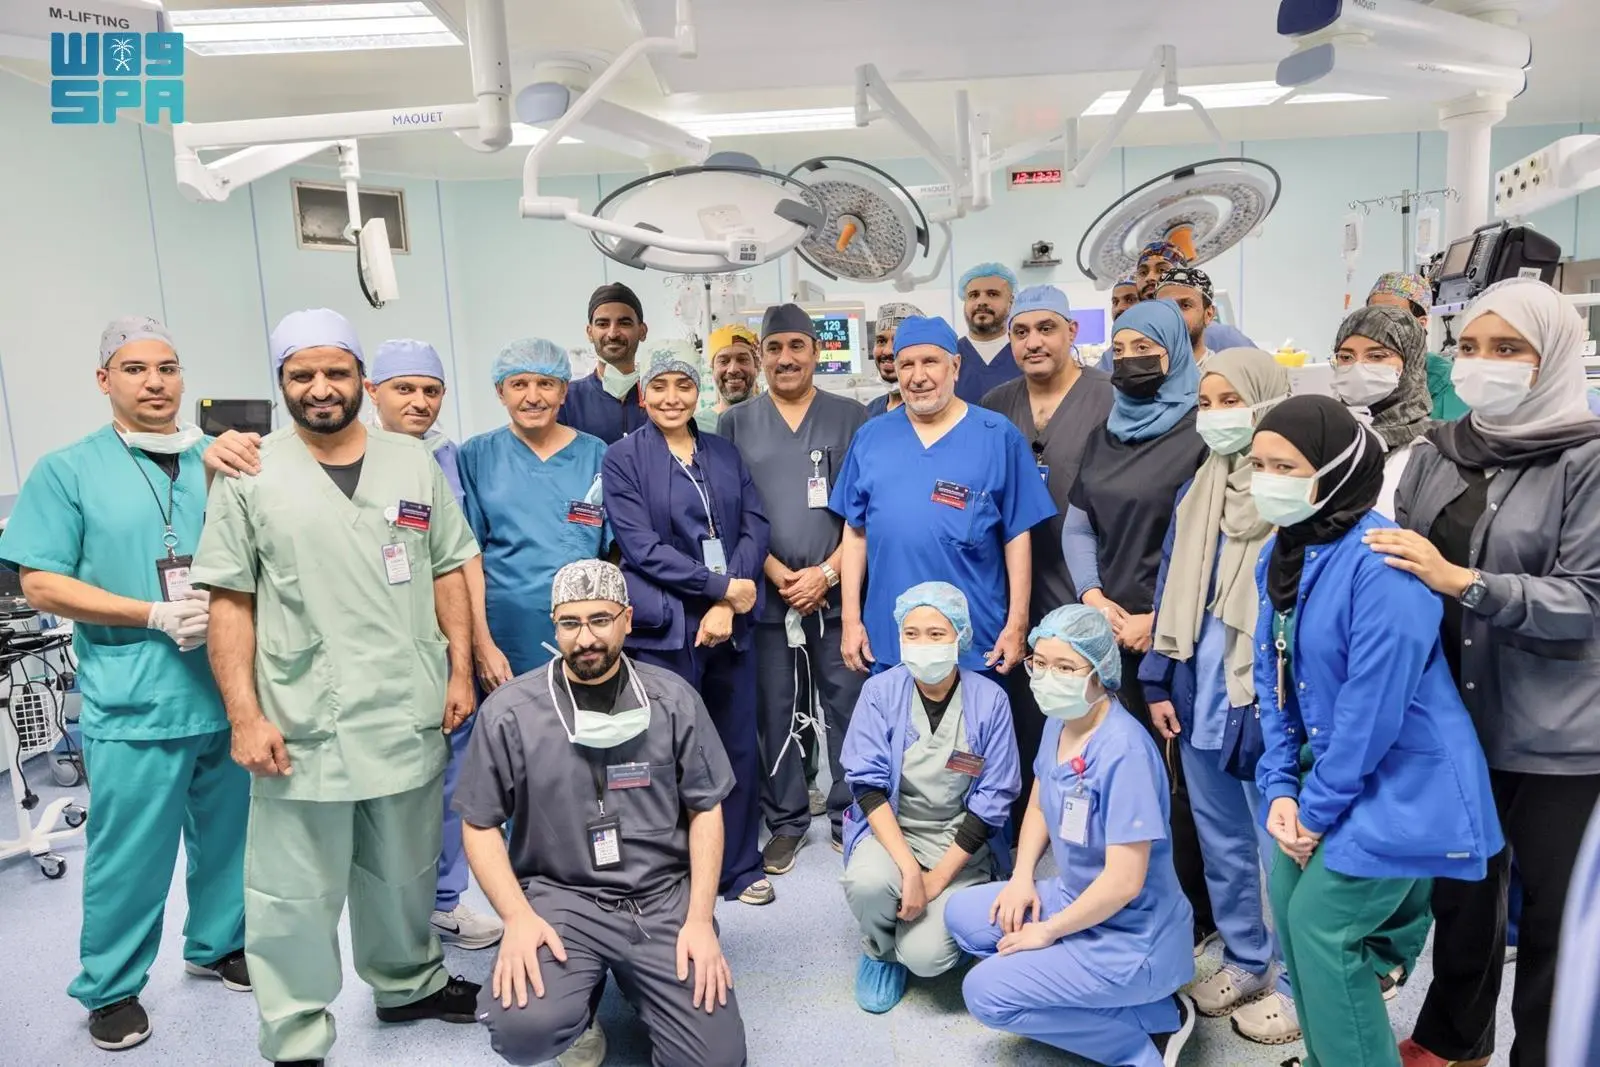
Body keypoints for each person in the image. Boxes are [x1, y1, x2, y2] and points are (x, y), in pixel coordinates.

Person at [191, 308, 483, 1067]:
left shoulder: (413, 463)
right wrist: (244, 714)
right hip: (300, 714)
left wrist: (457, 670)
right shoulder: (250, 472)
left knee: (405, 866)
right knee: (294, 888)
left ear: (362, 379)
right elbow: (230, 599)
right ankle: (294, 1027)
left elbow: (449, 565)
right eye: (302, 374)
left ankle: (407, 980)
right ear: (283, 383)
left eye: (336, 372)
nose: (320, 388)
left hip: (403, 702)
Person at [0, 316, 250, 1053]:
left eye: (168, 368)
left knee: (232, 838)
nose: (155, 382)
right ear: (105, 380)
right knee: (131, 852)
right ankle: (110, 987)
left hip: (227, 685)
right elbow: (42, 582)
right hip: (134, 694)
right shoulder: (68, 469)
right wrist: (150, 611)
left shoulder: (220, 457)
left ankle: (218, 942)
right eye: (135, 369)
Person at [1380, 278, 1600, 1067]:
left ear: (1552, 358)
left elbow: (1587, 598)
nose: (1484, 364)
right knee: (1464, 895)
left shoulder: (1588, 457)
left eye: (1509, 349)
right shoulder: (1437, 452)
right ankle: (1453, 1036)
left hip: (1558, 734)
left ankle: (1546, 1053)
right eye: (1470, 346)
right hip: (1452, 721)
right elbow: (1398, 564)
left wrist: (1463, 582)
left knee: (1549, 913)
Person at [1248, 394, 1502, 1067]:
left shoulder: (1381, 563)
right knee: (1288, 907)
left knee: (1323, 927)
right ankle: (1340, 1051)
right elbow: (1272, 686)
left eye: (1285, 464)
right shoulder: (1281, 557)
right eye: (1259, 464)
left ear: (1334, 468)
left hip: (1406, 782)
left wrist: (1315, 811)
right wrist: (1279, 787)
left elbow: (1372, 714)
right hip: (1323, 773)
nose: (1265, 478)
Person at [453, 559, 746, 1067]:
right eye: (570, 623)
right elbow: (478, 823)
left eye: (600, 620)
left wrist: (699, 919)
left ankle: (646, 988)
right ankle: (579, 1011)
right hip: (562, 895)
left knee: (716, 1061)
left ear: (627, 620)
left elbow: (705, 809)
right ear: (555, 625)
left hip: (660, 898)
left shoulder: (673, 701)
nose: (585, 637)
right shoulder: (511, 713)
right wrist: (517, 918)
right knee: (521, 1028)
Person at [945, 605, 1197, 1067]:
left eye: (1065, 667)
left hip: (1135, 937)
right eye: (1039, 663)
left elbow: (1124, 883)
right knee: (962, 914)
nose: (1045, 677)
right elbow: (1042, 797)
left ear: (1101, 672)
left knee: (985, 994)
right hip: (1075, 894)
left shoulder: (1124, 752)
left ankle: (1141, 1046)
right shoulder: (1062, 721)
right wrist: (1022, 876)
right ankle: (1148, 1009)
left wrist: (1048, 932)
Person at [1138, 348, 1297, 1036]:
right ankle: (1246, 954)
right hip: (1197, 684)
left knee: (1280, 845)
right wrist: (1158, 677)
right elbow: (1174, 581)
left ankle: (1297, 981)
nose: (1215, 416)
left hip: (1262, 695)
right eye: (1205, 402)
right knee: (1221, 835)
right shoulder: (1199, 486)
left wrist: (1281, 705)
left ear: (1265, 401)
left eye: (1230, 400)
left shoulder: (1289, 492)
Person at [1061, 298, 1214, 950]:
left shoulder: (1206, 435)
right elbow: (1079, 522)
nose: (1129, 361)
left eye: (1143, 349)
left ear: (1174, 351)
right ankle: (1122, 893)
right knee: (1117, 770)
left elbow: (1217, 543)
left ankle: (1195, 911)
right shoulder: (1106, 432)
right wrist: (1093, 595)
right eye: (1118, 349)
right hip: (1109, 627)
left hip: (1178, 633)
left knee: (1179, 782)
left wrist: (1162, 619)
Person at [603, 340, 774, 907]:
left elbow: (754, 526)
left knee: (735, 746)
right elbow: (641, 548)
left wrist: (731, 603)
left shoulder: (723, 454)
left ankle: (741, 865)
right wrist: (719, 589)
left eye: (683, 385)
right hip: (666, 628)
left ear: (697, 392)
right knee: (662, 752)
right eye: (660, 386)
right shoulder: (623, 459)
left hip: (730, 626)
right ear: (644, 395)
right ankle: (669, 870)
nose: (672, 397)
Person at [720, 303, 869, 872]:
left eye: (796, 347)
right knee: (774, 712)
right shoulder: (737, 421)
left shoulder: (851, 416)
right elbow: (733, 512)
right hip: (767, 591)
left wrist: (827, 573)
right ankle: (785, 822)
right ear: (762, 356)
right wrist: (778, 574)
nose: (786, 358)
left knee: (846, 706)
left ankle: (848, 815)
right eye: (775, 348)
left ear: (815, 352)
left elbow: (863, 509)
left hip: (836, 591)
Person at [832, 315, 1056, 680]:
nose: (917, 376)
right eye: (906, 364)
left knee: (977, 733)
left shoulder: (997, 436)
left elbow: (1017, 535)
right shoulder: (871, 438)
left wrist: (1017, 623)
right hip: (890, 638)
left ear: (955, 366)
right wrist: (851, 620)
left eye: (930, 362)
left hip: (974, 639)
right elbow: (855, 532)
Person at [840, 582, 1021, 1014]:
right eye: (912, 633)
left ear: (960, 636)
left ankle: (920, 937)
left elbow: (993, 799)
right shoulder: (881, 692)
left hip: (959, 843)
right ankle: (880, 951)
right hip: (892, 832)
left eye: (937, 634)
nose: (923, 645)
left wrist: (936, 879)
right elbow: (866, 784)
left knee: (926, 958)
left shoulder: (989, 701)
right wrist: (908, 869)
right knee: (867, 884)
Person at [981, 285, 1114, 832]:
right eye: (1020, 332)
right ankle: (1017, 825)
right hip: (1009, 579)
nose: (1033, 342)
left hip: (1082, 575)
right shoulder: (994, 406)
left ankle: (1093, 825)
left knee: (1084, 700)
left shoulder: (1107, 397)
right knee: (1017, 705)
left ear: (1071, 333)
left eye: (1046, 329)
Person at [459, 339, 611, 680]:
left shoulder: (596, 455)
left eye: (546, 384)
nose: (532, 397)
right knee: (513, 725)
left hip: (585, 631)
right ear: (500, 392)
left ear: (564, 391)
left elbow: (612, 553)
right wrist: (482, 643)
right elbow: (467, 557)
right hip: (505, 632)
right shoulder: (476, 456)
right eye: (518, 384)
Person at [1328, 305, 1433, 519]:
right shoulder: (1326, 436)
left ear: (1411, 360)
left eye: (1376, 356)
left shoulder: (1430, 450)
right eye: (1346, 357)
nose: (1358, 368)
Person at [1366, 271, 1468, 421]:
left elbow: (1452, 438)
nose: (1379, 323)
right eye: (1372, 314)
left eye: (1392, 315)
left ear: (1420, 324)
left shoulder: (1447, 382)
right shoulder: (1362, 371)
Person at [558, 283, 650, 444]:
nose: (613, 333)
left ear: (642, 331)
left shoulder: (658, 396)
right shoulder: (567, 399)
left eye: (624, 323)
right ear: (590, 333)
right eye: (602, 324)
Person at [954, 262, 1022, 405]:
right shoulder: (949, 356)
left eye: (992, 294)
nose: (981, 301)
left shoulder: (1026, 353)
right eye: (973, 295)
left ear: (1011, 302)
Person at [865, 302, 923, 418]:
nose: (887, 351)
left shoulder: (926, 411)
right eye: (881, 341)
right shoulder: (870, 411)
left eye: (898, 341)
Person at [707, 324, 761, 419]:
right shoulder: (696, 427)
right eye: (723, 361)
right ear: (712, 368)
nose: (733, 369)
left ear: (756, 366)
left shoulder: (775, 421)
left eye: (742, 359)